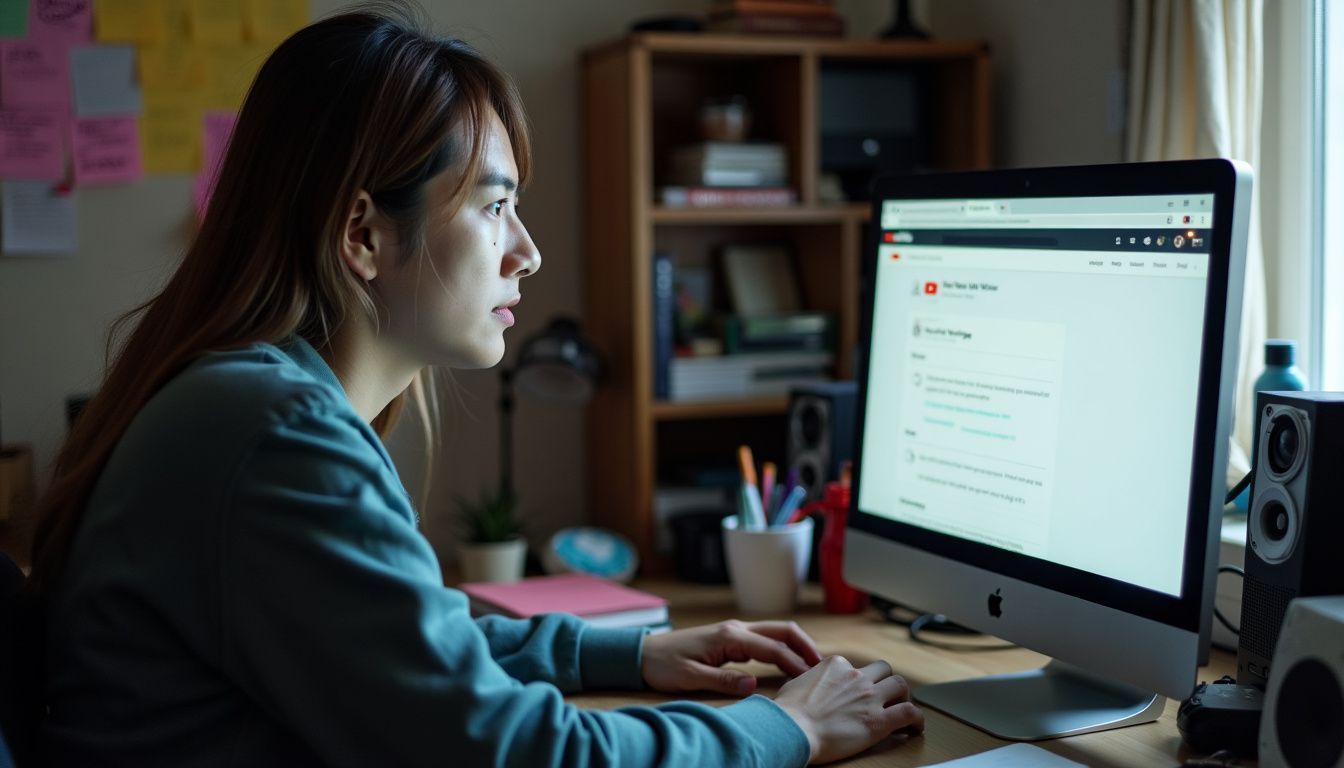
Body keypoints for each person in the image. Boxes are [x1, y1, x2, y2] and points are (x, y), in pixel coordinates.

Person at [26, 5, 924, 766]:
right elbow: (511, 753)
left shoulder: (243, 402)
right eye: (495, 207)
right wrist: (788, 727)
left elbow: (393, 640)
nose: (527, 252)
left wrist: (627, 652)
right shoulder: (278, 435)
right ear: (363, 235)